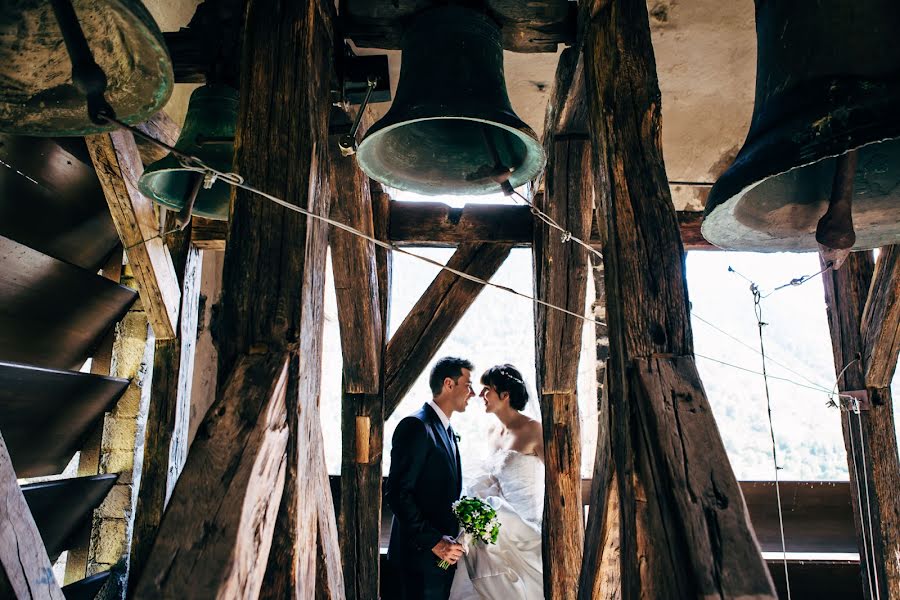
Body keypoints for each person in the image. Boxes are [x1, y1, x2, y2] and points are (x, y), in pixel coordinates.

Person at [449, 363, 545, 600]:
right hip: (494, 518)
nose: (480, 395)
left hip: (524, 522)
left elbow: (557, 476)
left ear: (505, 395)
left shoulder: (534, 430)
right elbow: (490, 478)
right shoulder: (492, 432)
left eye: (486, 389)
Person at [386, 356, 476, 600]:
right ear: (449, 383)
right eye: (468, 385)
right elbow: (397, 493)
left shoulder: (448, 430)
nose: (473, 393)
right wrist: (435, 542)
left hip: (439, 564)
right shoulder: (416, 426)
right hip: (415, 563)